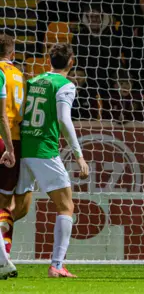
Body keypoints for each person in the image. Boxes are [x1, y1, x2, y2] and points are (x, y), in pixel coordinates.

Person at [14, 43, 90, 278]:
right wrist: (79, 155)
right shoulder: (66, 85)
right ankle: (57, 265)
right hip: (44, 150)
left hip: (22, 147)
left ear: (49, 60)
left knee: (18, 210)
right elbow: (64, 120)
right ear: (71, 61)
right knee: (66, 206)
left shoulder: (34, 81)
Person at [0, 34, 25, 279]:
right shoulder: (19, 75)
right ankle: (5, 256)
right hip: (17, 140)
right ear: (13, 53)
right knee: (5, 205)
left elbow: (1, 113)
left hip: (3, 138)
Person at [72, 2, 121, 101]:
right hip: (87, 79)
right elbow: (80, 59)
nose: (93, 20)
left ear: (103, 17)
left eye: (96, 17)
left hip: (108, 77)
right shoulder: (79, 36)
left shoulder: (113, 35)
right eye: (90, 17)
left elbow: (113, 56)